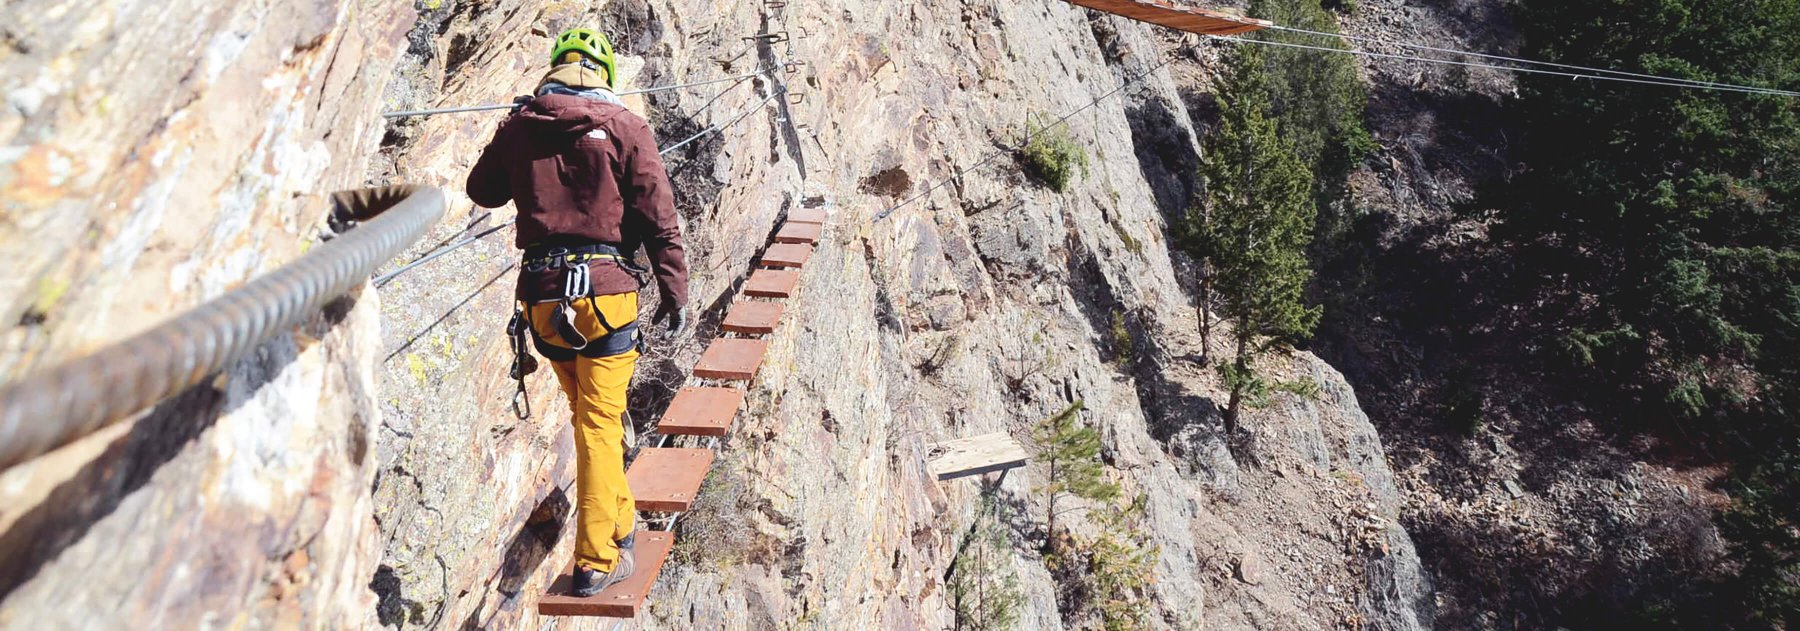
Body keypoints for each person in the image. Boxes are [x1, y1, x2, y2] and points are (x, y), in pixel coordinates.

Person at [466, 27, 689, 597]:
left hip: (543, 300)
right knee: (597, 424)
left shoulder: (522, 126)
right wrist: (674, 290)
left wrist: (512, 133)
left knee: (594, 419)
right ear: (605, 76)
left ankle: (619, 523)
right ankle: (596, 560)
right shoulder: (625, 126)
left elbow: (482, 190)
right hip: (606, 298)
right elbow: (657, 213)